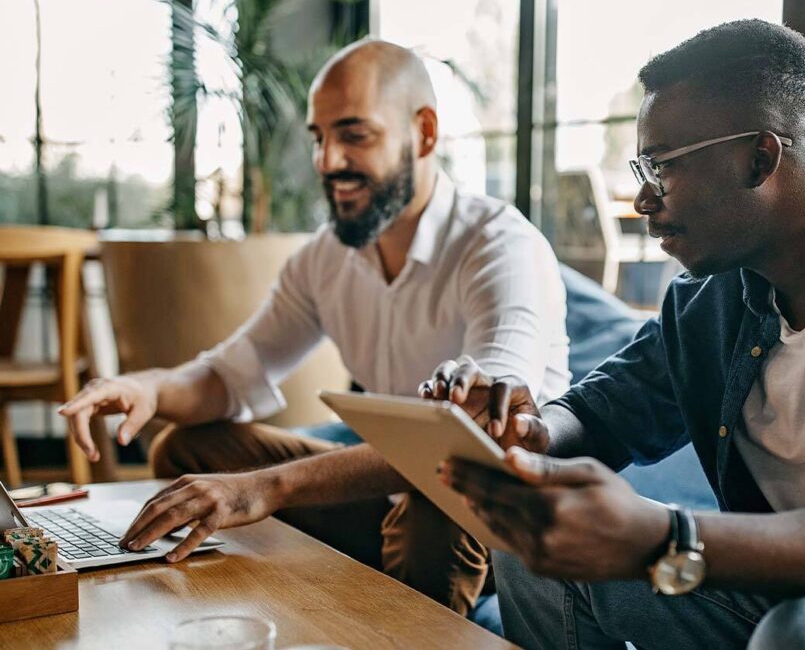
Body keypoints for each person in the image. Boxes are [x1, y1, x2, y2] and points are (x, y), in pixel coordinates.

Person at [423, 20, 805, 648]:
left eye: (662, 167)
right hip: (781, 587)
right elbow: (602, 414)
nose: (642, 198)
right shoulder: (711, 296)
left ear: (760, 158)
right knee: (535, 545)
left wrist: (669, 536)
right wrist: (530, 430)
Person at [58, 39, 570, 616]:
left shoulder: (501, 245)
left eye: (354, 135)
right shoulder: (326, 257)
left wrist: (269, 487)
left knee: (442, 488)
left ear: (424, 133)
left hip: (499, 513)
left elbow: (479, 433)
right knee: (190, 448)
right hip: (395, 494)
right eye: (319, 139)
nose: (328, 161)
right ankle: (322, 589)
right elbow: (231, 376)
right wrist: (147, 387)